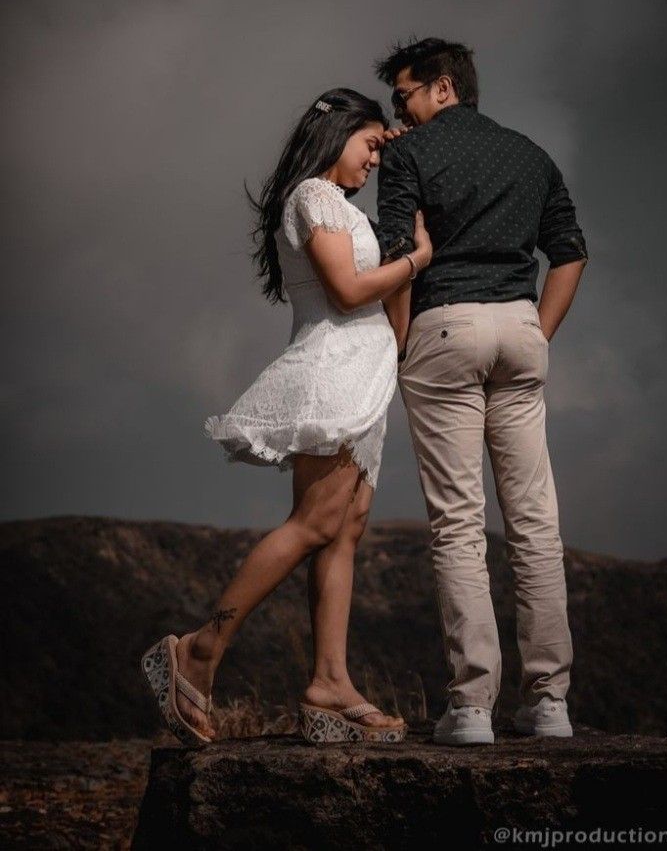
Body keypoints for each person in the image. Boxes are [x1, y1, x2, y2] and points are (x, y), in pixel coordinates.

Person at [140, 88, 433, 746]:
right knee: (317, 521)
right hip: (332, 374)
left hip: (367, 378)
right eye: (371, 145)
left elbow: (395, 325)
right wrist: (416, 258)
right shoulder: (313, 196)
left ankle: (330, 681)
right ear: (338, 134)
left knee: (345, 530)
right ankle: (198, 649)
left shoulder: (347, 208)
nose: (376, 161)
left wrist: (407, 261)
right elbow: (348, 290)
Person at [373, 37, 588, 744]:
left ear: (441, 87)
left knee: (459, 523)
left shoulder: (407, 156)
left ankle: (472, 708)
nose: (396, 112)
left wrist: (399, 345)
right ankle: (550, 701)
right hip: (521, 327)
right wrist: (537, 331)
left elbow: (402, 254)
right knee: (535, 521)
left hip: (443, 325)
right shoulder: (531, 153)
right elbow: (570, 251)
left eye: (402, 94)